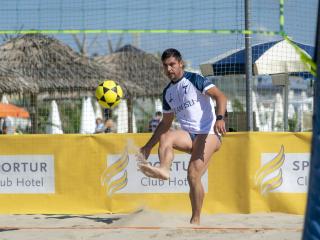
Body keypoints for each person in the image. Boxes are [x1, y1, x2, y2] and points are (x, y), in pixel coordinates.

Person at [138, 48, 227, 225]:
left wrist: (220, 118)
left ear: (180, 63)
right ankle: (164, 169)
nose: (169, 69)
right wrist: (147, 147)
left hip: (209, 133)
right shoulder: (167, 93)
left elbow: (221, 96)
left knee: (192, 174)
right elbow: (165, 123)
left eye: (172, 64)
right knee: (166, 137)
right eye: (165, 66)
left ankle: (195, 219)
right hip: (189, 135)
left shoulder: (194, 79)